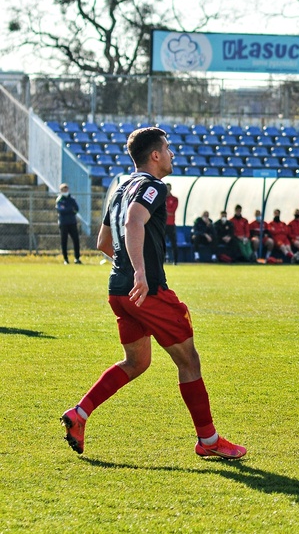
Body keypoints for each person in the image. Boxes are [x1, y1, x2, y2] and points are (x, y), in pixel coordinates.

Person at [60, 126, 245, 459]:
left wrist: (130, 272)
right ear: (155, 155)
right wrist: (141, 273)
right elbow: (134, 222)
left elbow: (103, 242)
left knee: (137, 361)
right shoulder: (153, 185)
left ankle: (80, 414)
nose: (172, 154)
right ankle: (209, 441)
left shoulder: (119, 188)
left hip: (119, 290)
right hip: (147, 291)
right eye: (168, 148)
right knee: (189, 361)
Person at [56, 183, 81, 264]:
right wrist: (70, 209)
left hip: (72, 222)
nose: (65, 191)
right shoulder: (59, 200)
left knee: (76, 240)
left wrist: (68, 209)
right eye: (63, 190)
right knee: (64, 241)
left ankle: (77, 258)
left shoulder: (72, 199)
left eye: (66, 189)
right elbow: (61, 210)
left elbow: (76, 209)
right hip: (63, 223)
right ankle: (65, 259)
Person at [165, 183, 179, 265]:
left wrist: (165, 212)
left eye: (168, 188)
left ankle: (175, 260)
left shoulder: (174, 199)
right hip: (162, 224)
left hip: (171, 224)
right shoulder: (161, 198)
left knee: (174, 243)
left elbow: (172, 210)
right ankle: (161, 260)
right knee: (160, 243)